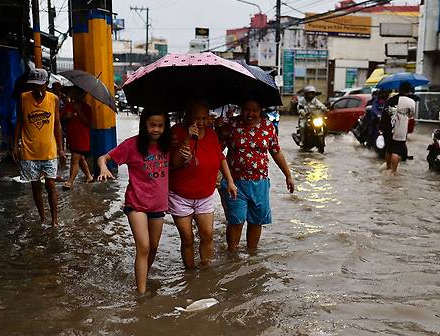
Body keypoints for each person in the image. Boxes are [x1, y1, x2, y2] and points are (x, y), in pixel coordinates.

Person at [97, 109, 171, 294]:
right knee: (144, 246)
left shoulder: (168, 146)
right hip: (136, 204)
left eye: (160, 125)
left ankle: (142, 276)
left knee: (153, 247)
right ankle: (141, 294)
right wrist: (104, 168)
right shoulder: (132, 145)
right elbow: (103, 157)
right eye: (152, 125)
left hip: (158, 205)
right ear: (144, 125)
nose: (156, 129)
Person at [219, 99, 294, 252]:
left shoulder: (268, 127)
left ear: (261, 111)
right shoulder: (231, 125)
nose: (250, 114)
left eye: (255, 110)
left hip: (260, 184)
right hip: (235, 183)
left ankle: (252, 254)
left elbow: (276, 152)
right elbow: (217, 151)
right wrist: (217, 128)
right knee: (236, 220)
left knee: (256, 221)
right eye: (247, 109)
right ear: (241, 109)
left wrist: (288, 175)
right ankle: (232, 255)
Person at [169, 101, 238, 269]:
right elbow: (173, 163)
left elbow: (221, 157)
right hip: (180, 195)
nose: (200, 122)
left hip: (205, 195)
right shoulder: (176, 131)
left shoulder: (212, 134)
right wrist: (188, 138)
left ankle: (206, 271)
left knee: (207, 235)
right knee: (187, 238)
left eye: (204, 118)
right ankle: (190, 274)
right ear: (188, 117)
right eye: (196, 118)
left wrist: (229, 181)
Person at [11, 68, 64, 226]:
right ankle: (42, 218)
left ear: (46, 84)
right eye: (33, 85)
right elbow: (19, 123)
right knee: (35, 186)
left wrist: (61, 149)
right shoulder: (23, 98)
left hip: (50, 150)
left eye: (40, 85)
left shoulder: (53, 99)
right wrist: (15, 146)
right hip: (29, 150)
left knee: (51, 185)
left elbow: (57, 124)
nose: (36, 88)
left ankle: (54, 220)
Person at [62, 87, 94, 189]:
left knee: (75, 158)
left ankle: (70, 181)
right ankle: (89, 176)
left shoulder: (86, 108)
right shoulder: (69, 106)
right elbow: (62, 119)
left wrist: (79, 111)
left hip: (82, 138)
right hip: (72, 138)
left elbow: (88, 123)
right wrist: (67, 117)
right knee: (80, 159)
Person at [387, 88, 416, 175]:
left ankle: (388, 168)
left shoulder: (391, 99)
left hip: (389, 127)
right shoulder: (411, 101)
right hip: (401, 128)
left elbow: (386, 112)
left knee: (389, 150)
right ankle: (393, 172)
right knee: (397, 150)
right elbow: (411, 114)